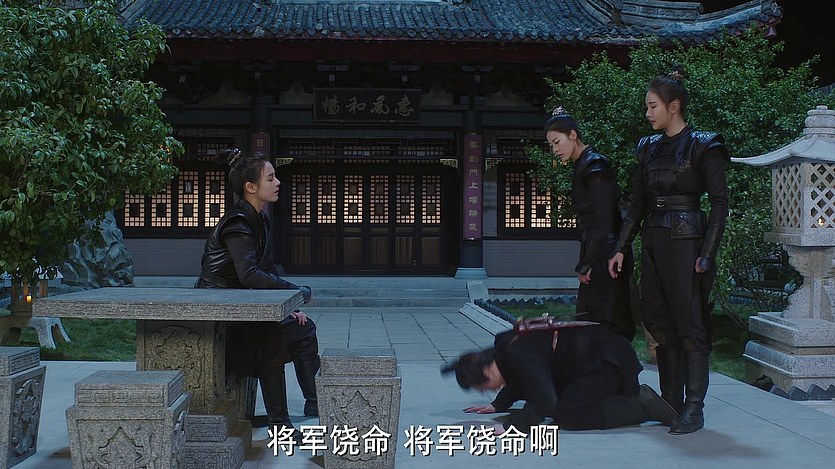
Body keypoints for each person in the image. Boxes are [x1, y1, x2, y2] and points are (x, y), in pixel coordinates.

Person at [608, 66, 729, 435]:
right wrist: (619, 247)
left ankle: (694, 408)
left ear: (673, 107)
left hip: (687, 241)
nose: (647, 113)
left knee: (690, 321)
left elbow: (720, 202)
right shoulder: (648, 148)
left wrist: (707, 253)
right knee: (659, 320)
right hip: (655, 240)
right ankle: (670, 400)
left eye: (652, 106)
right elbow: (637, 205)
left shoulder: (704, 145)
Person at [195, 148, 319, 432]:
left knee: (302, 328)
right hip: (221, 311)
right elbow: (249, 274)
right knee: (271, 339)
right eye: (271, 178)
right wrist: (294, 291)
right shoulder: (238, 222)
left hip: (244, 304)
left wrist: (288, 305)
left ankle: (314, 402)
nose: (278, 183)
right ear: (251, 187)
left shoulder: (258, 218)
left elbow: (267, 269)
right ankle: (280, 423)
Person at [441, 325, 676, 433]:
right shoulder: (505, 351)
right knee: (558, 405)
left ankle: (641, 404)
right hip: (590, 363)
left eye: (483, 387)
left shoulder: (515, 353)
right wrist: (499, 404)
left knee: (567, 414)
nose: (487, 391)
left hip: (607, 362)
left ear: (488, 372)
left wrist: (513, 426)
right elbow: (523, 378)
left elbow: (545, 399)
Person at [545, 107, 634, 340]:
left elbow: (603, 222)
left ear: (573, 135)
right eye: (551, 146)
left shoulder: (595, 166)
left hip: (607, 256)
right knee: (591, 323)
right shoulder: (583, 165)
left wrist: (587, 264)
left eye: (557, 142)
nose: (555, 150)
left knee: (605, 323)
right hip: (597, 252)